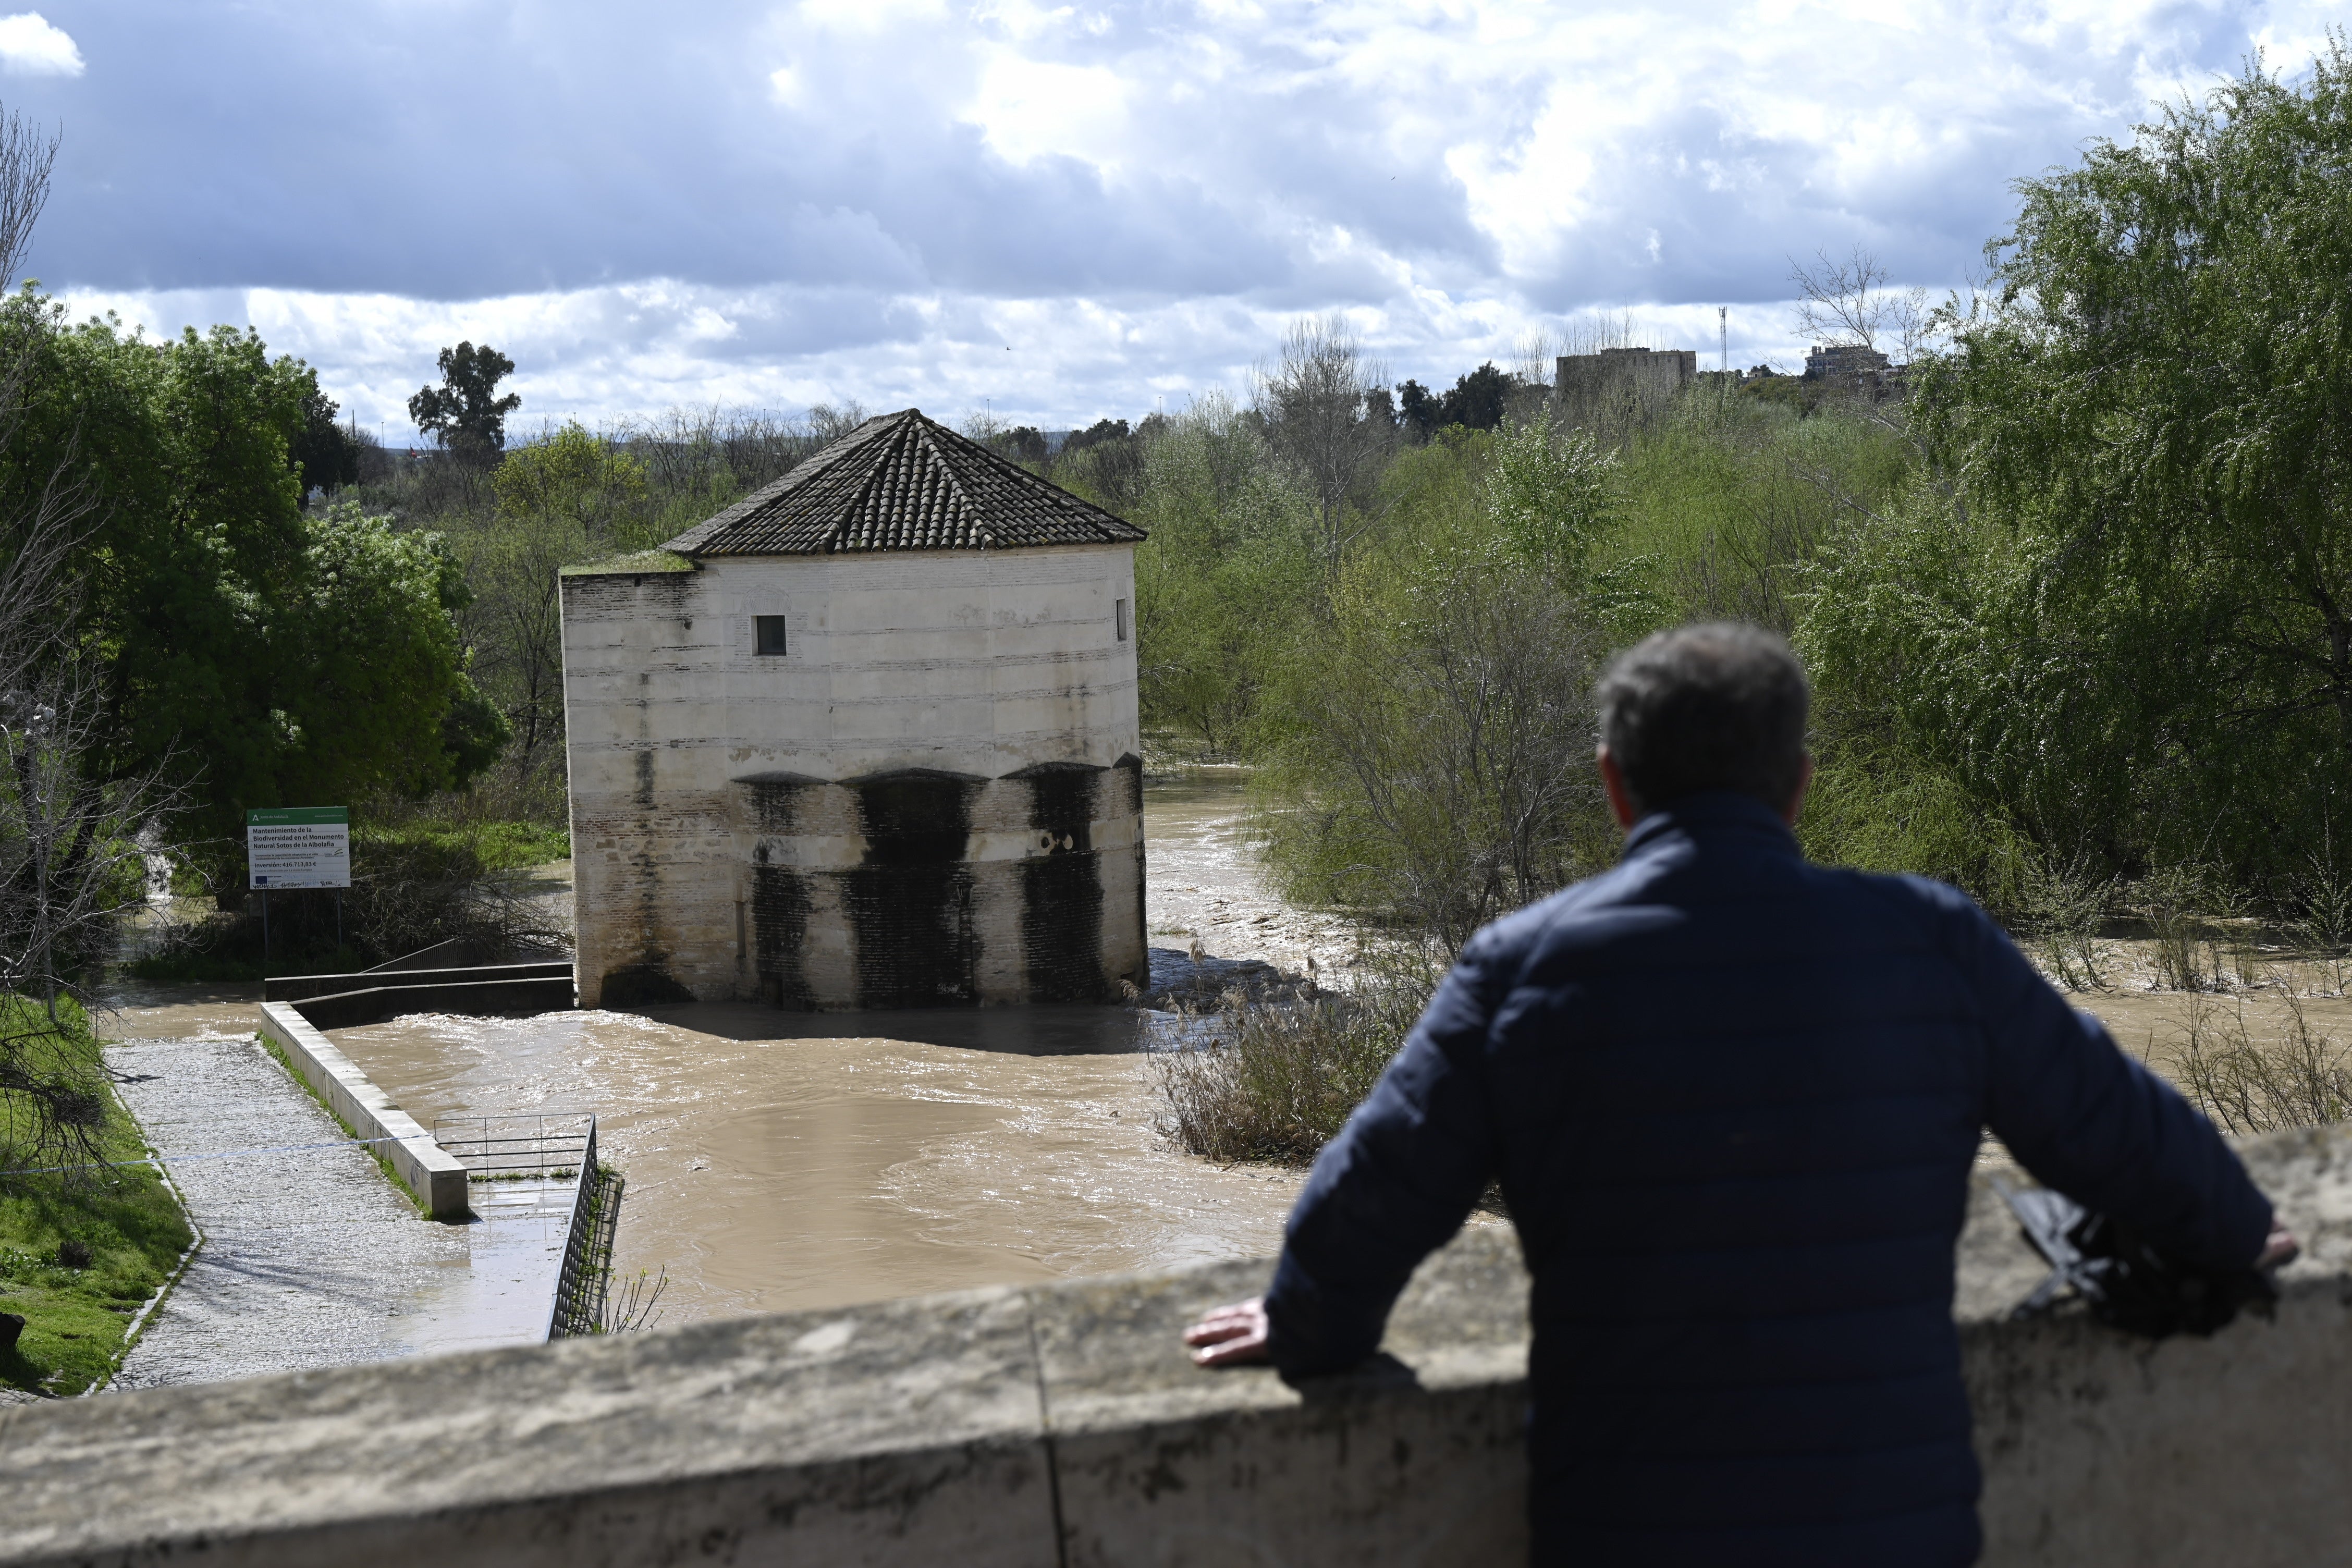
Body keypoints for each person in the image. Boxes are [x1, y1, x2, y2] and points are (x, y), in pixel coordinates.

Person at [1183, 622, 2292, 1567]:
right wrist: (2238, 1226)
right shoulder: (1935, 941)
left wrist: (1306, 1321)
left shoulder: (1521, 967)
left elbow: (1379, 1193)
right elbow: (2119, 1133)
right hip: (1894, 1532)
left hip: (1627, 1529)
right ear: (1799, 783)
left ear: (1614, 784)